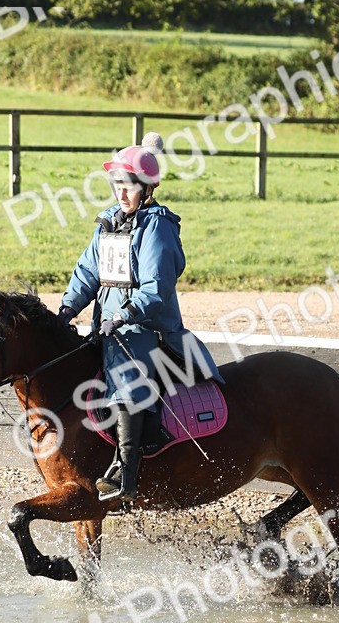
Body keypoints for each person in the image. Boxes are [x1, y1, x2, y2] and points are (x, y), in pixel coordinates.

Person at [58, 135, 223, 505]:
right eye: (117, 184)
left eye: (129, 185)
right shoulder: (110, 224)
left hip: (147, 330)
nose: (122, 192)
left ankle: (125, 476)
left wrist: (123, 315)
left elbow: (156, 287)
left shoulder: (158, 227)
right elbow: (88, 271)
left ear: (147, 188)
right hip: (109, 327)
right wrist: (68, 308)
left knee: (127, 384)